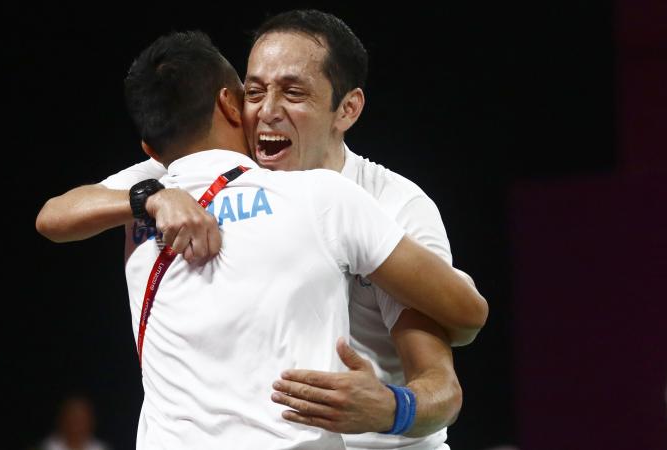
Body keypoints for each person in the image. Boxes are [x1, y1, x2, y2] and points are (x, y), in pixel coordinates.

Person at [37, 10, 483, 449]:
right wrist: (147, 198)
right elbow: (55, 215)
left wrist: (391, 408)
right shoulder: (196, 172)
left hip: (384, 441)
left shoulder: (389, 204)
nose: (266, 112)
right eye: (254, 92)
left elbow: (448, 375)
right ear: (232, 102)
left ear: (346, 109)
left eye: (292, 92)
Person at [39, 396, 109, 450]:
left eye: (82, 420)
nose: (77, 426)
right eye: (73, 419)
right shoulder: (47, 447)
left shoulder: (100, 448)